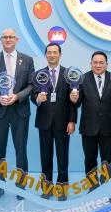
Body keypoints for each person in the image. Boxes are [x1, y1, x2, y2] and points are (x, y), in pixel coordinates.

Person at [0, 28, 35, 200]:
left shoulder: (27, 60)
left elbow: (31, 85)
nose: (8, 39)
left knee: (21, 149)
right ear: (1, 39)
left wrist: (17, 96)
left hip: (19, 111)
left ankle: (21, 186)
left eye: (11, 37)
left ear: (17, 39)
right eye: (4, 37)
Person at [31, 43, 77, 200]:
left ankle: (62, 188)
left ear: (60, 54)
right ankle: (46, 188)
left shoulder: (68, 74)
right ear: (46, 55)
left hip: (63, 122)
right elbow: (32, 95)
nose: (52, 55)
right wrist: (37, 98)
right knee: (45, 156)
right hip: (44, 121)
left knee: (63, 156)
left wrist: (72, 121)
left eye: (54, 52)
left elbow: (73, 101)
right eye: (49, 52)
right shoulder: (38, 74)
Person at [71, 51, 111, 185]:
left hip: (108, 128)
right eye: (95, 62)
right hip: (88, 127)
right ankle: (92, 186)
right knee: (90, 159)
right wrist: (73, 99)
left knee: (107, 159)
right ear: (91, 64)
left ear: (106, 64)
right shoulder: (82, 79)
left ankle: (106, 186)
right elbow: (76, 104)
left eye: (101, 62)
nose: (98, 65)